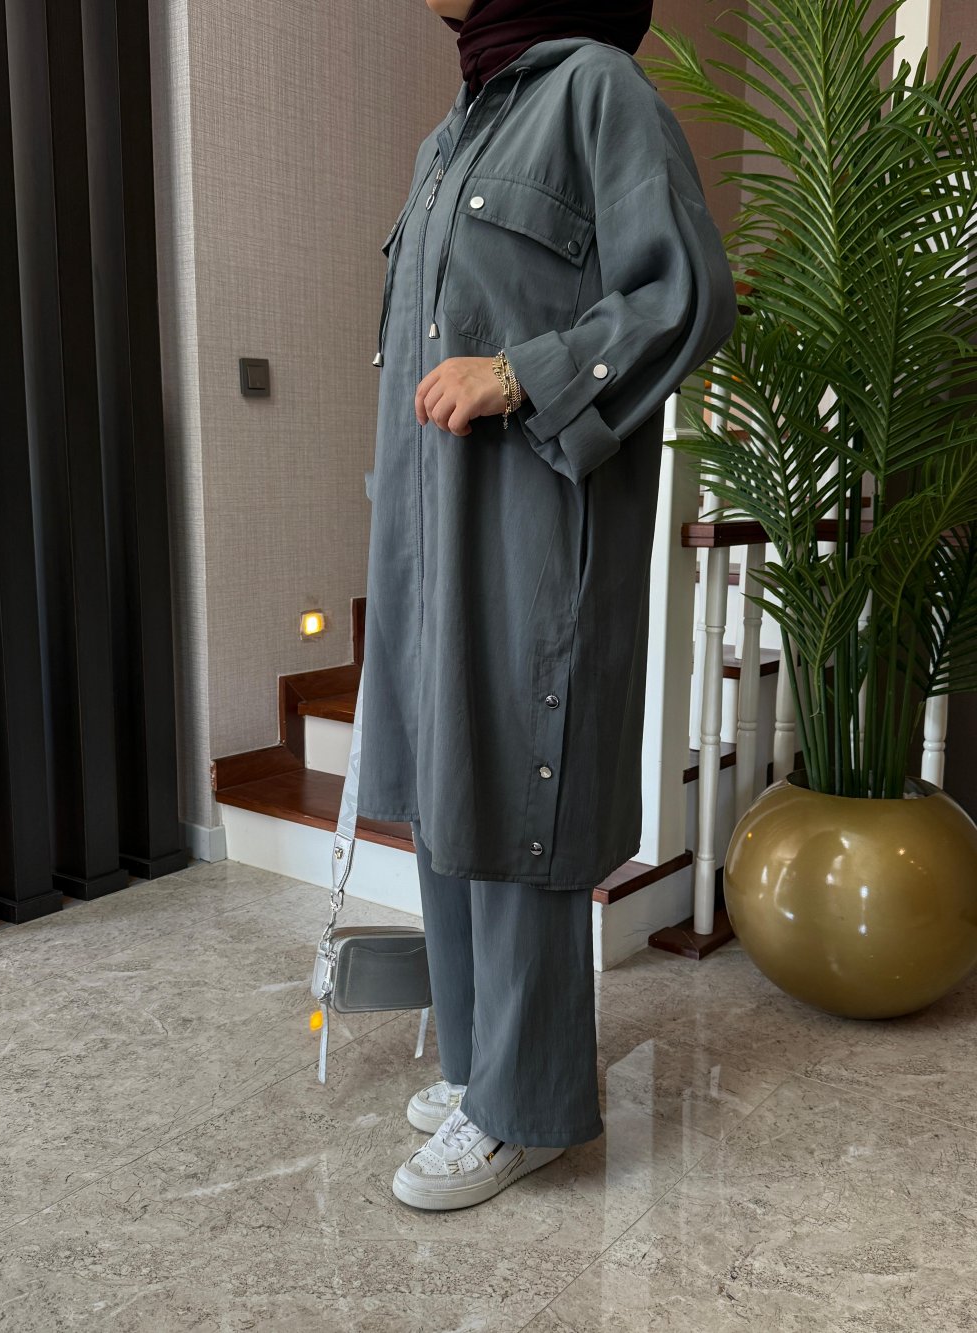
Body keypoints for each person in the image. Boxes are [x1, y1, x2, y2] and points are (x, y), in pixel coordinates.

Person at [354, 0, 737, 1211]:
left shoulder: (596, 93)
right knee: (450, 780)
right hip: (431, 529)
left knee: (522, 791)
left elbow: (685, 292)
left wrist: (524, 373)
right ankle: (481, 1068)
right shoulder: (451, 134)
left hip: (532, 523)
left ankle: (529, 1108)